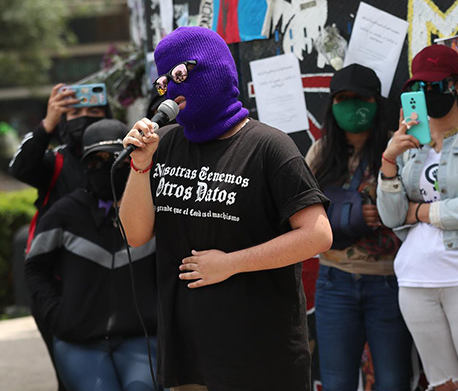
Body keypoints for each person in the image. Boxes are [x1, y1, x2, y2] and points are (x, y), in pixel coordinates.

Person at [119, 26, 332, 391]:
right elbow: (135, 235)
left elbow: (317, 235)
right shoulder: (164, 144)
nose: (171, 90)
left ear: (215, 70)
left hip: (261, 355)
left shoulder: (270, 148)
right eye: (164, 82)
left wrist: (232, 263)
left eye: (180, 76)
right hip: (188, 356)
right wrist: (140, 166)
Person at [377, 44, 458, 391]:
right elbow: (391, 217)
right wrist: (389, 161)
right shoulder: (408, 145)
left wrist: (418, 212)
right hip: (415, 281)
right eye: (418, 88)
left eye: (435, 86)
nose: (426, 93)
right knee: (442, 386)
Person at [25, 119, 159, 391]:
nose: (105, 168)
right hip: (79, 340)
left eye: (114, 159)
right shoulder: (64, 213)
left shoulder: (153, 210)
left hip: (141, 335)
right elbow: (35, 268)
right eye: (94, 161)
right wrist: (57, 315)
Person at [306, 63, 411, 391]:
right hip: (333, 282)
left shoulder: (399, 148)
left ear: (375, 103)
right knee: (337, 383)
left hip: (389, 283)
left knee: (393, 382)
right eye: (343, 98)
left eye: (360, 98)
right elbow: (301, 212)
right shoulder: (320, 153)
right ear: (332, 105)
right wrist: (349, 213)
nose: (352, 106)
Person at [9, 81, 111, 391]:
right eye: (74, 112)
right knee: (72, 379)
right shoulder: (54, 161)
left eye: (94, 111)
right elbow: (21, 166)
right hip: (60, 289)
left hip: (112, 288)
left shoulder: (124, 158)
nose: (84, 118)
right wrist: (48, 123)